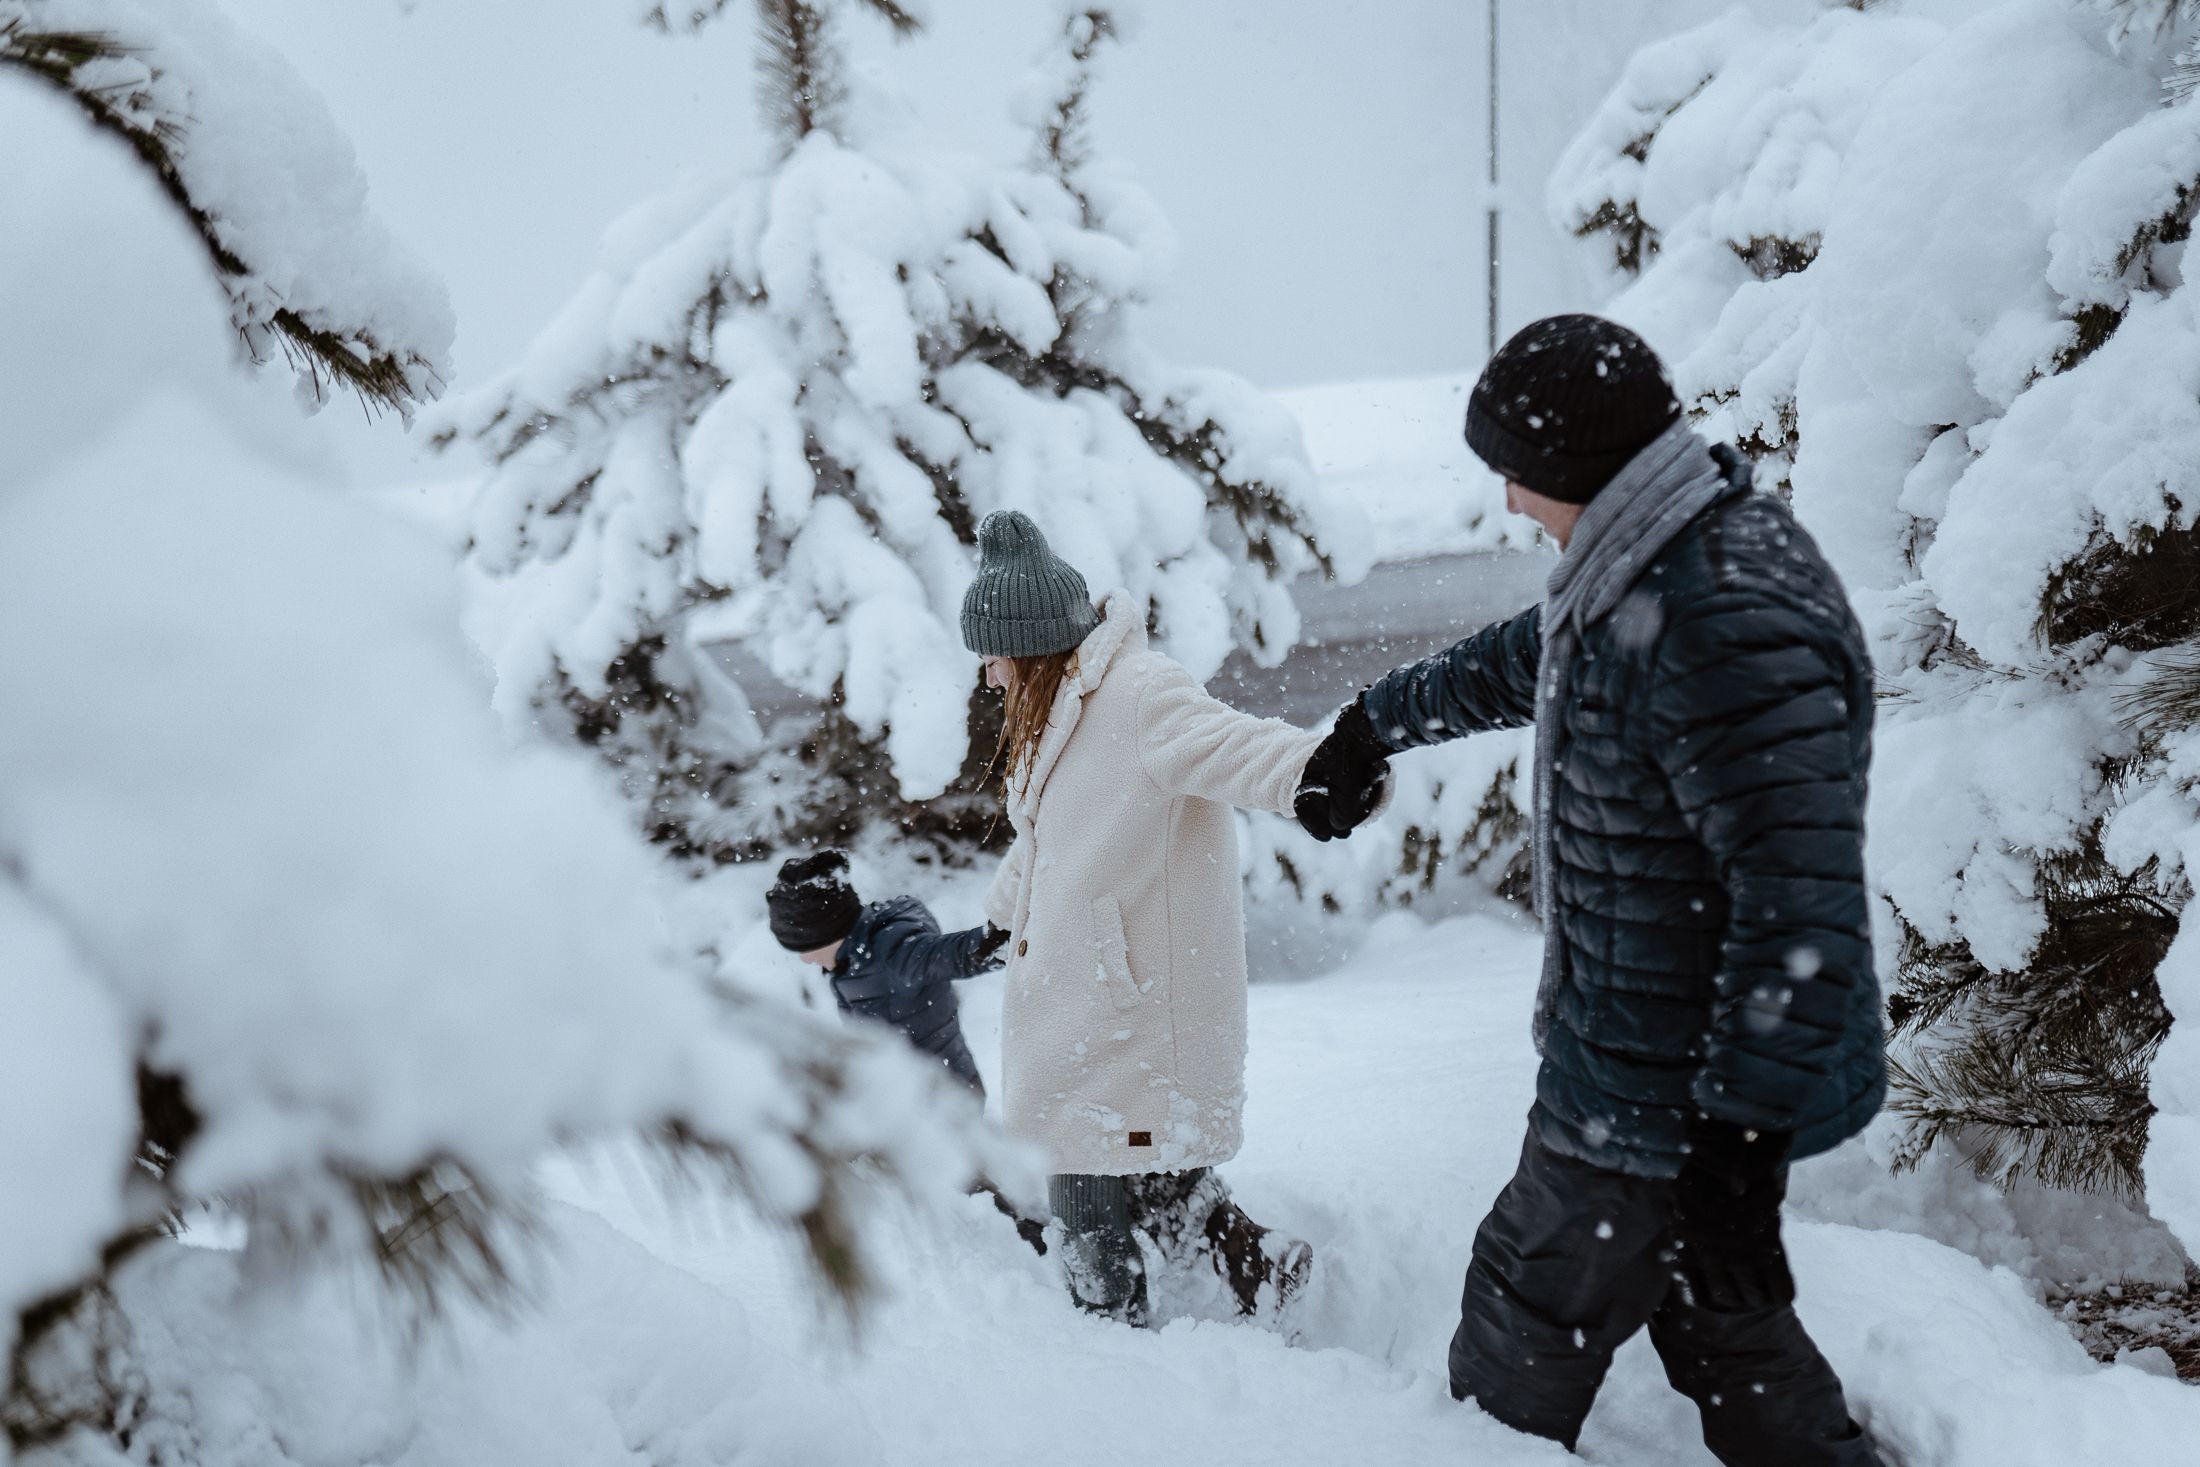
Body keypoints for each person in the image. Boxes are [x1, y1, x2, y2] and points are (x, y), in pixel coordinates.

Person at [1294, 315, 1887, 1467]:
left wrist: (1734, 1151)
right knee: (1724, 1332)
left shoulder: (1722, 615)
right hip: (1653, 1064)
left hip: (1660, 1087)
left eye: (1514, 472)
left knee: (1521, 1330)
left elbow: (1799, 911)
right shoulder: (1654, 563)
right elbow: (1529, 657)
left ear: (1571, 467)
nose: (1508, 501)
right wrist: (1373, 724)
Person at [961, 508, 1317, 1327]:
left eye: (994, 657)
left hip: (1125, 999)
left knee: (1080, 1169)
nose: (988, 677)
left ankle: (1110, 1334)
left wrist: (1324, 770)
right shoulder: (1059, 715)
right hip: (1088, 995)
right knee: (1142, 1161)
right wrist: (998, 917)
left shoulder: (1141, 695)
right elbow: (1048, 837)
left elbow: (1236, 747)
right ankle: (1258, 1266)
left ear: (1032, 645)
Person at [767, 849, 1006, 1096]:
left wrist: (1005, 939)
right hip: (906, 1097)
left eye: (805, 949)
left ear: (826, 934)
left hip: (943, 1100)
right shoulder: (850, 959)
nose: (806, 960)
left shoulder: (892, 954)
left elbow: (962, 953)